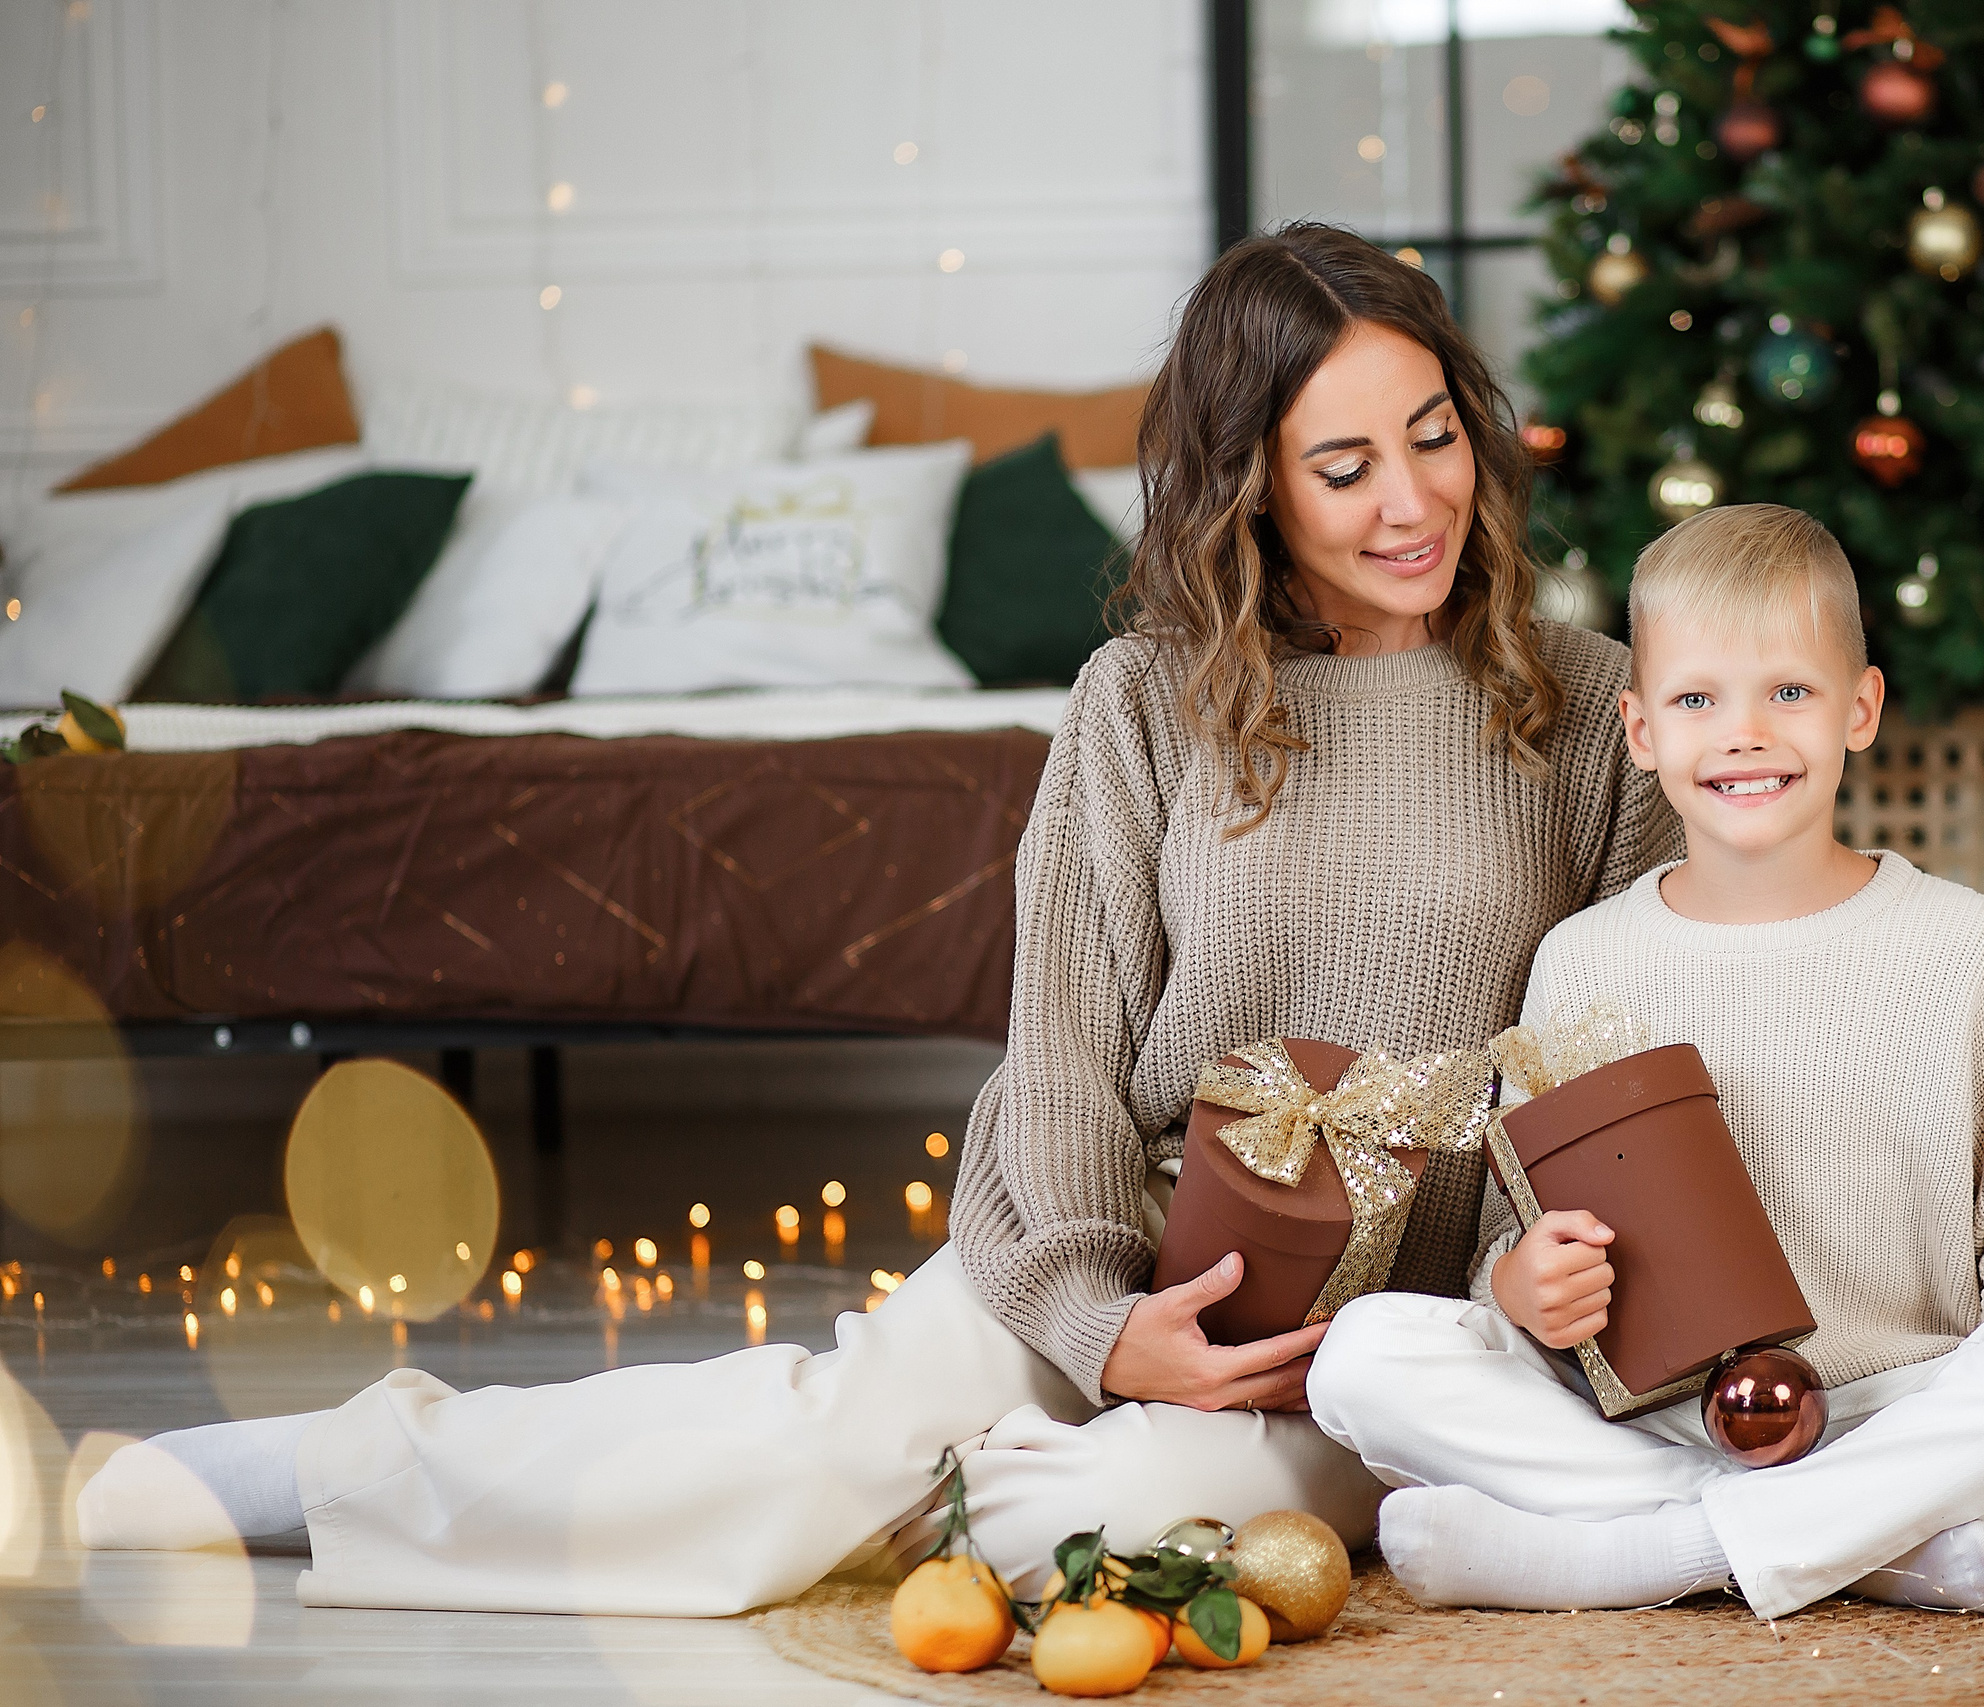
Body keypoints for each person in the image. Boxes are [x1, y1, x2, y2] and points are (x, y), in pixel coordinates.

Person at [74, 224, 1675, 1616]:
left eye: (1435, 437)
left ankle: (923, 1487)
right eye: (1345, 467)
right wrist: (1104, 1324)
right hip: (1119, 1242)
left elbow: (1618, 1063)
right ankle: (302, 1471)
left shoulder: (1591, 709)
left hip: (1389, 1341)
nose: (1414, 499)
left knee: (1093, 1517)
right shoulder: (1143, 700)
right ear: (1252, 485)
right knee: (827, 1442)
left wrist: (1510, 1300)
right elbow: (1062, 1052)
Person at [1306, 504, 1984, 1622]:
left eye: (1789, 692)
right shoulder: (1583, 960)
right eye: (1697, 700)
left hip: (1902, 1407)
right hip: (1650, 1419)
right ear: (1640, 728)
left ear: (1861, 709)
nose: (1744, 734)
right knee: (1363, 1356)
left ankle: (1637, 1554)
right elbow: (1517, 1233)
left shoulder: (1961, 945)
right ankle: (1867, 1544)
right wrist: (1522, 1287)